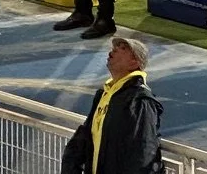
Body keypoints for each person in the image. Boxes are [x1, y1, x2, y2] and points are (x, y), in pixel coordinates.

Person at [60, 34, 163, 174]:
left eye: (123, 48)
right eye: (114, 47)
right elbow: (84, 138)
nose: (113, 50)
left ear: (134, 62)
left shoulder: (139, 100)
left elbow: (143, 152)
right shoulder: (105, 95)